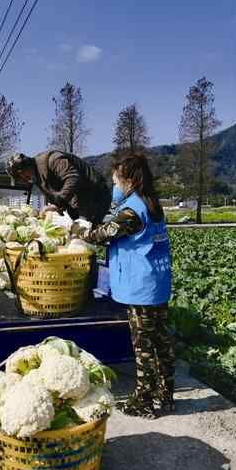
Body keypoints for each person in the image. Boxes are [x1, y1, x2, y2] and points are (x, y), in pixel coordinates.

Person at [80, 152, 174, 418]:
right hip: (155, 282)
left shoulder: (133, 210)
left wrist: (78, 230)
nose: (114, 186)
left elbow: (102, 234)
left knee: (143, 346)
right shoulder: (150, 202)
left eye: (116, 181)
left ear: (129, 180)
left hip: (141, 287)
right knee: (161, 342)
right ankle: (165, 396)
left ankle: (144, 400)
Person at [6, 150, 111, 225]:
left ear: (22, 172)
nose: (23, 181)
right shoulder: (37, 177)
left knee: (85, 235)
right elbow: (55, 198)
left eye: (20, 179)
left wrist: (57, 203)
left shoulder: (53, 160)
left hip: (95, 196)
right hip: (77, 203)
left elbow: (73, 178)